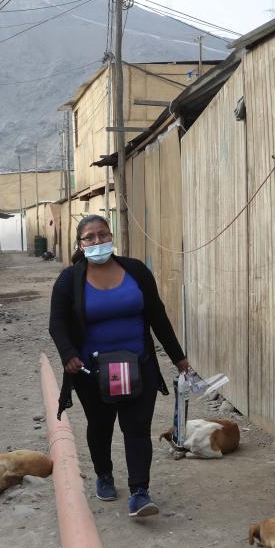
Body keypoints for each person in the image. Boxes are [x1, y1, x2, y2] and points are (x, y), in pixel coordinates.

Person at [49, 215, 188, 518]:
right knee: (100, 428)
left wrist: (179, 358)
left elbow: (158, 317)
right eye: (90, 238)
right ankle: (104, 475)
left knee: (137, 429)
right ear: (80, 244)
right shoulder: (69, 280)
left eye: (102, 235)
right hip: (92, 373)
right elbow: (57, 324)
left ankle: (140, 492)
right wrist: (68, 354)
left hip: (139, 366)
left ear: (111, 237)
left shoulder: (136, 271)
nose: (97, 242)